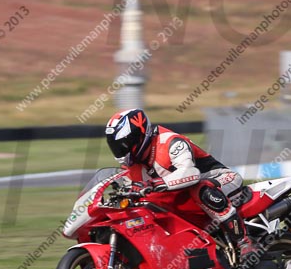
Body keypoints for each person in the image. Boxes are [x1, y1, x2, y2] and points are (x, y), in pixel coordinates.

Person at [105, 108, 256, 258]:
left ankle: (244, 242)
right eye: (116, 146)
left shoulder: (171, 142)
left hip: (221, 179)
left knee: (202, 189)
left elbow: (191, 174)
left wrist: (152, 184)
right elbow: (132, 191)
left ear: (139, 135)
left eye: (124, 144)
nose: (120, 150)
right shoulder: (132, 166)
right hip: (185, 196)